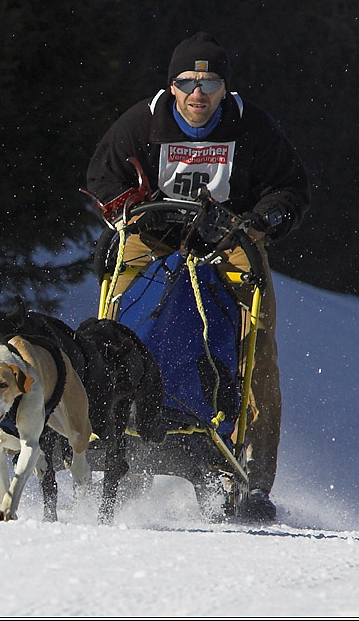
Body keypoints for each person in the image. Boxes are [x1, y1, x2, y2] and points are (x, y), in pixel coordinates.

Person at [85, 32, 310, 521]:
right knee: (116, 322)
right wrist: (132, 212)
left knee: (257, 344)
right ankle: (112, 427)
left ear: (224, 89)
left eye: (209, 82)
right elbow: (102, 177)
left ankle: (253, 476)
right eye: (187, 82)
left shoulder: (252, 127)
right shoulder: (143, 121)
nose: (197, 94)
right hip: (156, 231)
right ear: (172, 86)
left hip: (232, 237)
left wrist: (262, 222)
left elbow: (290, 187)